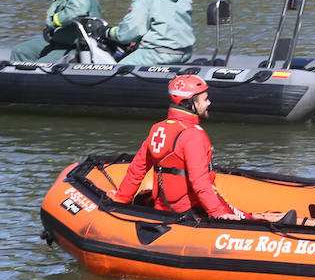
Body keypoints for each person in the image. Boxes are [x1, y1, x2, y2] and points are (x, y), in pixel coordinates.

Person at [113, 75, 277, 220]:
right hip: (188, 209)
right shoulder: (193, 136)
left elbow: (137, 169)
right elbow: (199, 182)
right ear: (191, 104)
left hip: (163, 206)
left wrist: (121, 199)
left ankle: (260, 217)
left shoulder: (158, 129)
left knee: (241, 214)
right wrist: (218, 213)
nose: (209, 103)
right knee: (244, 220)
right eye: (205, 99)